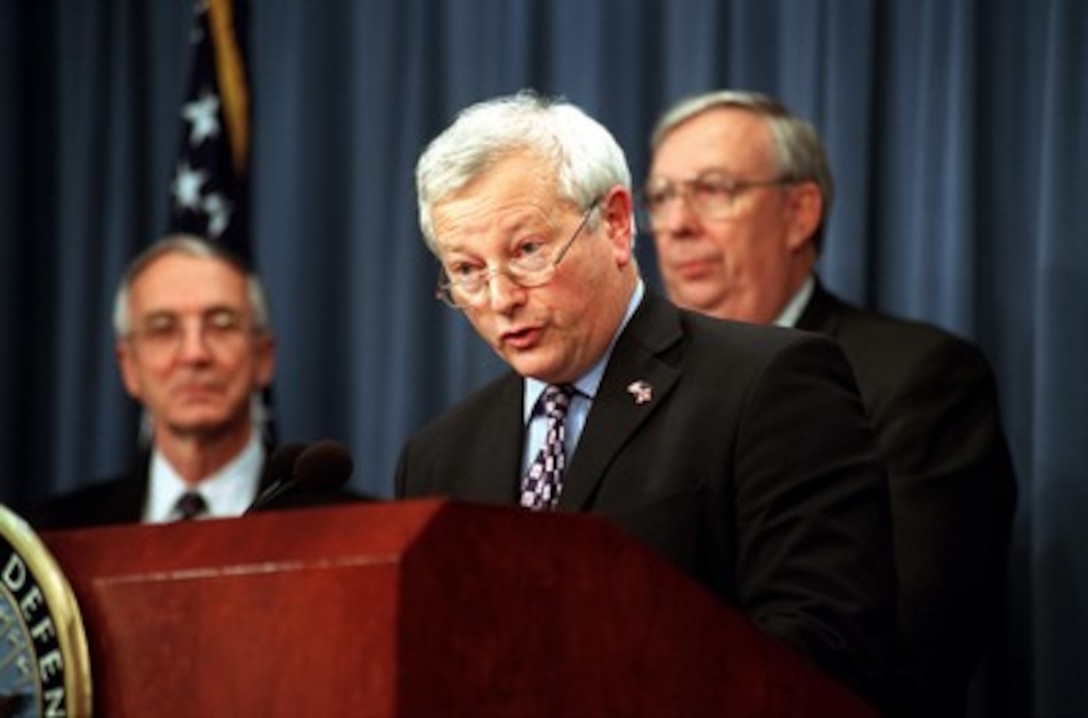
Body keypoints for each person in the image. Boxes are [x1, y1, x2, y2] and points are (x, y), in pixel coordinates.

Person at [394, 90, 898, 710]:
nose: (500, 298)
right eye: (467, 270)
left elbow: (821, 649)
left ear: (615, 223)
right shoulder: (437, 457)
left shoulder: (767, 384)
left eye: (527, 251)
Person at [644, 89, 1017, 717]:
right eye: (660, 197)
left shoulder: (919, 380)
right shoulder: (639, 392)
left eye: (712, 191)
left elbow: (912, 642)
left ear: (800, 212)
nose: (677, 224)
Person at [28, 235, 351, 529]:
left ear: (263, 357)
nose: (195, 354)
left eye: (222, 325)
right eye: (163, 329)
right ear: (129, 367)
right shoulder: (55, 538)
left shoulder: (348, 527)